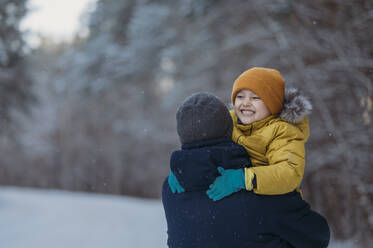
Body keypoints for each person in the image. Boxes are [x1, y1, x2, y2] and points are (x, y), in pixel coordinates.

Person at [162, 92, 330, 248]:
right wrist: (289, 192)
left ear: (181, 135)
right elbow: (318, 235)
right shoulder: (259, 190)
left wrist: (184, 168)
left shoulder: (171, 188)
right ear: (230, 129)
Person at [206, 67, 313, 200]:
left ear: (272, 104)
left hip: (278, 202)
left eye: (255, 98)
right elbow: (205, 150)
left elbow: (289, 173)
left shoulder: (282, 131)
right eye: (240, 97)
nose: (246, 103)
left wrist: (245, 178)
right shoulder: (228, 123)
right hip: (245, 203)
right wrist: (187, 172)